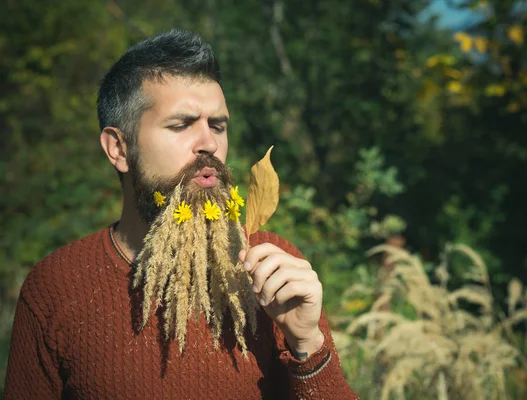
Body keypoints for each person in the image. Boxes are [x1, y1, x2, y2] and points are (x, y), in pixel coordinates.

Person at [4, 29, 358, 399]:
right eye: (181, 125)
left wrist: (308, 345)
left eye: (217, 126)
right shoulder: (57, 287)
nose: (209, 144)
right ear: (118, 149)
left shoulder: (273, 270)